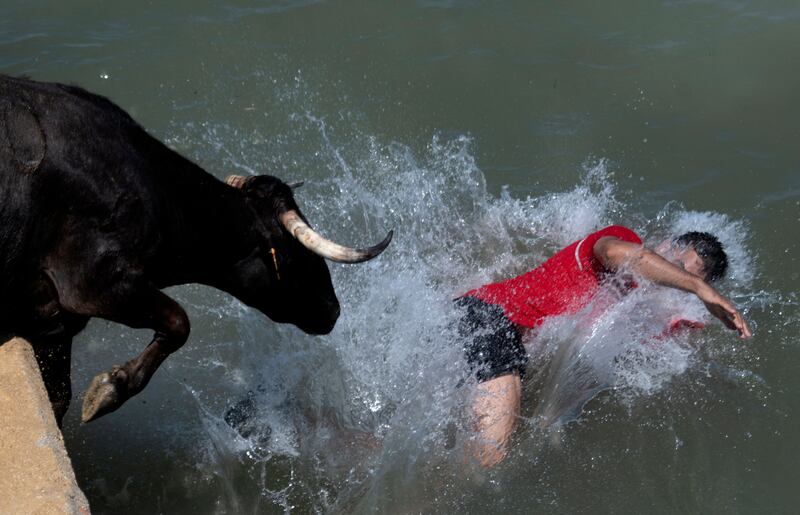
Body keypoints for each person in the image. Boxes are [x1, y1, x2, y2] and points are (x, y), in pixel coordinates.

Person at [455, 225, 751, 468]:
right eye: (678, 269)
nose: (673, 280)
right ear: (665, 245)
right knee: (490, 454)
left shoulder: (634, 304)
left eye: (684, 280)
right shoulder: (623, 239)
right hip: (488, 317)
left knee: (489, 451)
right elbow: (614, 253)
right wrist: (700, 288)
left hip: (500, 343)